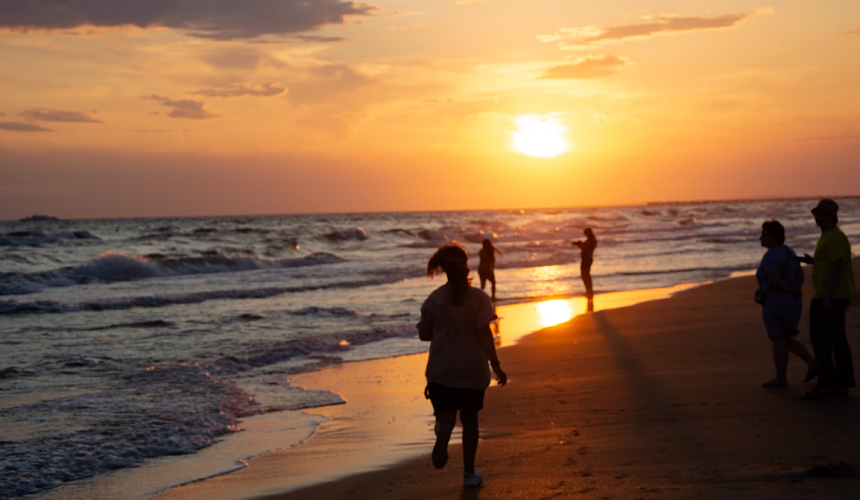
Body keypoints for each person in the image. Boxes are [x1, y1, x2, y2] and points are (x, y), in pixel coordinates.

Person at [417, 242, 507, 488]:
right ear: (467, 267)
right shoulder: (479, 298)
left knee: (445, 418)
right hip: (471, 370)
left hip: (441, 370)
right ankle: (469, 474)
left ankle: (444, 432)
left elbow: (425, 335)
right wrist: (495, 365)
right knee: (470, 422)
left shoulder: (434, 300)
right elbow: (484, 333)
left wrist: (430, 328)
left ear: (444, 269)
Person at [797, 199, 856, 399]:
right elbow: (829, 262)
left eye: (821, 214)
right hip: (826, 294)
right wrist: (813, 261)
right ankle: (836, 383)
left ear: (831, 216)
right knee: (830, 339)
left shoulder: (836, 237)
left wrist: (828, 298)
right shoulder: (828, 236)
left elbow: (837, 266)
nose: (817, 218)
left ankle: (830, 384)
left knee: (824, 340)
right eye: (816, 214)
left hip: (831, 296)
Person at [755, 220, 816, 388]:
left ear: (773, 238)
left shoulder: (773, 254)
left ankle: (781, 378)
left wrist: (788, 289)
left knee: (777, 339)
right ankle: (812, 364)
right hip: (792, 302)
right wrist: (796, 288)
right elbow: (800, 274)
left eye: (764, 235)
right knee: (785, 339)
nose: (760, 238)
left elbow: (774, 278)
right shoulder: (789, 251)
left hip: (777, 301)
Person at [572, 228, 597, 311]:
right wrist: (579, 244)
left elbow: (586, 249)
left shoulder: (591, 241)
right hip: (586, 259)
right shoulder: (591, 240)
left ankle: (589, 291)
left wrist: (580, 244)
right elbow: (585, 247)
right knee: (585, 276)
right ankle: (589, 291)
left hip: (587, 259)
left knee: (585, 275)